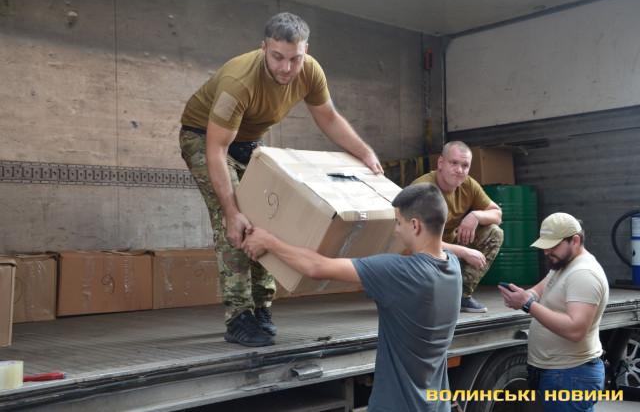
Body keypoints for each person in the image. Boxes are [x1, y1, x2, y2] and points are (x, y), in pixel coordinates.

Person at [179, 12, 383, 347]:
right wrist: (231, 211)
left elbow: (328, 117)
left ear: (306, 51)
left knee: (268, 216)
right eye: (277, 57)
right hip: (204, 138)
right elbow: (216, 150)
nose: (286, 68)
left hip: (248, 140)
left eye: (294, 58)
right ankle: (238, 316)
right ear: (263, 48)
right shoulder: (239, 81)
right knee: (236, 221)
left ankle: (261, 307)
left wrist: (364, 152)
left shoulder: (310, 71)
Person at [242, 183, 461, 411]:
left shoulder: (400, 273)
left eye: (398, 222)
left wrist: (267, 241)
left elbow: (316, 267)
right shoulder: (453, 266)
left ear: (415, 225)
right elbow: (442, 249)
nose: (395, 231)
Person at [499, 213, 609, 412]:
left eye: (553, 245)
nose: (546, 251)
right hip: (563, 374)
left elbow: (575, 330)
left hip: (570, 375)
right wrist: (524, 296)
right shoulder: (563, 265)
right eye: (545, 245)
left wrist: (527, 304)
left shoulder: (583, 274)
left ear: (575, 241)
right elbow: (539, 291)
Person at [411, 141, 503, 313]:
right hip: (417, 258)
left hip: (447, 250)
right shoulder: (423, 190)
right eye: (453, 163)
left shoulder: (468, 185)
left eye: (465, 165)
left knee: (494, 233)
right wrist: (465, 252)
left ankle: (462, 296)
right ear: (441, 163)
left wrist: (475, 215)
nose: (459, 170)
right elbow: (421, 242)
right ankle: (433, 293)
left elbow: (497, 214)